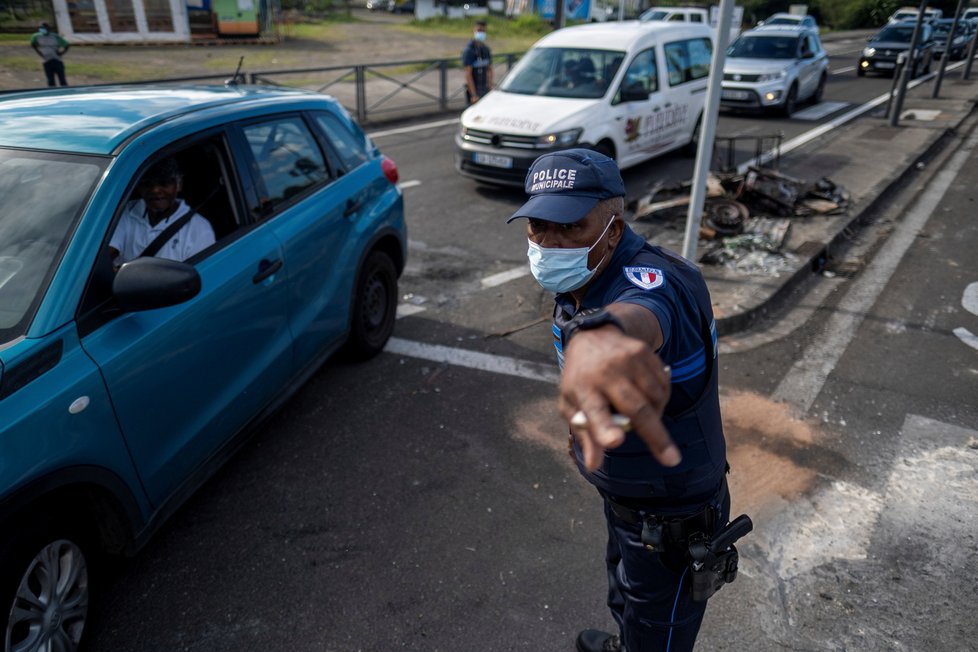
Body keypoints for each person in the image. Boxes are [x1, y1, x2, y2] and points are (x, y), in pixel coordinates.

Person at [508, 149, 737, 652]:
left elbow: (643, 314)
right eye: (538, 226)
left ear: (613, 228)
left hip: (671, 517)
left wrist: (606, 336)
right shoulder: (589, 269)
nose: (549, 242)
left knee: (659, 634)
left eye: (570, 226)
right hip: (628, 499)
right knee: (627, 597)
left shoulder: (654, 280)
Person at [109, 158, 215, 266]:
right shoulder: (126, 211)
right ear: (138, 187)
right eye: (147, 184)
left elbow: (198, 276)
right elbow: (105, 253)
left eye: (164, 183)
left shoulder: (199, 229)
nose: (155, 190)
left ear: (178, 185)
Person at [462, 19, 493, 105]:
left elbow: (489, 69)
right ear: (474, 31)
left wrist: (490, 87)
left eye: (483, 31)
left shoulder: (486, 49)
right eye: (479, 30)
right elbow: (468, 74)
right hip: (475, 91)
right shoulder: (469, 50)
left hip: (485, 90)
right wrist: (473, 94)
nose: (481, 33)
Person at [30, 21, 70, 87]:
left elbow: (66, 45)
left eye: (44, 27)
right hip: (46, 60)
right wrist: (39, 52)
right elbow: (33, 44)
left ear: (48, 28)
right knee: (50, 81)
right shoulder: (36, 36)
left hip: (57, 60)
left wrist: (62, 53)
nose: (42, 29)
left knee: (62, 80)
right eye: (41, 28)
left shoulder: (55, 36)